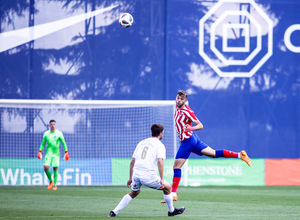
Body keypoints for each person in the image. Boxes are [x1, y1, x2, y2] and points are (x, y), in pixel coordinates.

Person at [161, 90, 252, 203]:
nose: (178, 101)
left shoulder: (187, 111)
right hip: (192, 139)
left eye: (181, 99)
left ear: (185, 101)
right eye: (177, 98)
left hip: (188, 141)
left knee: (176, 167)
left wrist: (191, 128)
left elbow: (200, 125)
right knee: (213, 154)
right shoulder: (176, 107)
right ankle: (239, 155)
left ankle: (173, 193)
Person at [108, 124, 185, 217]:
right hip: (148, 176)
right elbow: (160, 161)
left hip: (136, 174)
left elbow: (132, 161)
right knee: (168, 188)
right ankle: (171, 211)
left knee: (134, 193)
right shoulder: (159, 145)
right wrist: (161, 178)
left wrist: (130, 178)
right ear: (161, 133)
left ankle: (113, 212)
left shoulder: (142, 142)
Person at [37, 119, 69, 190]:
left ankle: (55, 185)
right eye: (51, 124)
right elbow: (43, 144)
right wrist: (40, 151)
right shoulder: (46, 134)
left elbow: (64, 143)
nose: (52, 125)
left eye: (54, 124)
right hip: (48, 154)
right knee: (45, 168)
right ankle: (51, 181)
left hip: (56, 154)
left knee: (55, 168)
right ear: (49, 125)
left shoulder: (59, 133)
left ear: (55, 125)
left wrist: (66, 152)